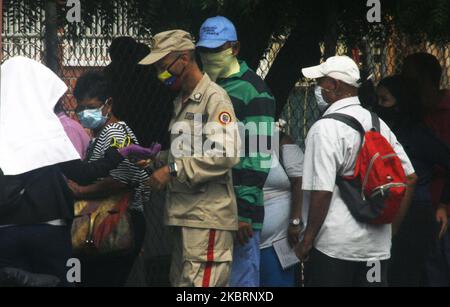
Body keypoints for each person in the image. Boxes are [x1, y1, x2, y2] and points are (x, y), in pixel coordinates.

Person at [0, 56, 151, 286]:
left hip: (5, 231)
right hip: (49, 229)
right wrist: (120, 153)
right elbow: (83, 174)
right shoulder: (48, 128)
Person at [296, 56, 417, 287]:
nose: (317, 88)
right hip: (376, 250)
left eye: (320, 82)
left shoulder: (324, 128)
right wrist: (390, 233)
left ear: (334, 85)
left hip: (334, 248)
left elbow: (322, 192)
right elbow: (410, 178)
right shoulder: (377, 123)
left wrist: (307, 240)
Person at [138, 30, 240, 287]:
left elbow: (225, 153)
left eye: (163, 66)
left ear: (184, 59)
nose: (160, 74)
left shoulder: (214, 99)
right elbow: (189, 152)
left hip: (206, 218)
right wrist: (157, 160)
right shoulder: (181, 101)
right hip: (185, 216)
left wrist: (171, 169)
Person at [197, 16, 276, 287]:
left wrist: (244, 212)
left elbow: (259, 157)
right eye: (204, 50)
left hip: (239, 215)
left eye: (216, 49)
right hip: (206, 210)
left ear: (235, 48)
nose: (209, 56)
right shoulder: (203, 89)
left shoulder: (254, 92)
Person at [68, 71, 157, 287]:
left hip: (117, 219)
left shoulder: (116, 133)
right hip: (104, 218)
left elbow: (122, 180)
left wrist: (81, 191)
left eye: (90, 106)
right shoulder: (100, 134)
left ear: (108, 104)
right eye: (80, 108)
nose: (84, 113)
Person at [375, 75, 450, 287]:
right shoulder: (380, 131)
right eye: (377, 100)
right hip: (384, 210)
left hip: (414, 214)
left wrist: (443, 205)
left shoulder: (417, 135)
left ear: (402, 101)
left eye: (385, 100)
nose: (380, 106)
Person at [402, 53, 450, 286]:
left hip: (441, 205)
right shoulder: (411, 115)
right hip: (421, 206)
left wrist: (443, 205)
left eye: (409, 78)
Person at [259, 120, 304, 287]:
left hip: (278, 242)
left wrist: (295, 221)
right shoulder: (233, 140)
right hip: (241, 241)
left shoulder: (281, 141)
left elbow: (299, 180)